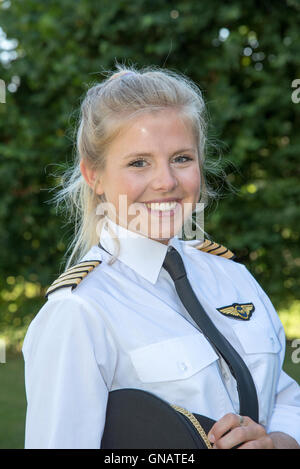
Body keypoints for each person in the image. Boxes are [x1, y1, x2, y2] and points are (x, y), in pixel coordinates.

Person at [22, 65, 300, 449]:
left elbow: (284, 395)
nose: (166, 181)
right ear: (94, 175)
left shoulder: (232, 275)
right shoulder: (79, 311)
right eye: (139, 162)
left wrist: (279, 441)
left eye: (182, 158)